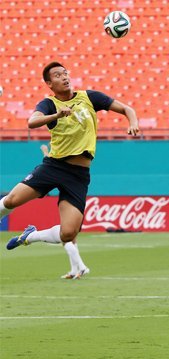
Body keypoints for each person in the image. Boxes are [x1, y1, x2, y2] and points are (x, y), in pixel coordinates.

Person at [0, 61, 139, 279]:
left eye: (65, 73)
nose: (64, 77)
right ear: (49, 83)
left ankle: (31, 236)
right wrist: (56, 116)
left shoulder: (90, 97)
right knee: (11, 200)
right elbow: (32, 122)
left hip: (78, 175)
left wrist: (133, 122)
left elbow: (126, 108)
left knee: (68, 233)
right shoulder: (49, 104)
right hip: (53, 166)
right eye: (58, 75)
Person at [39, 143, 89, 279]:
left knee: (66, 236)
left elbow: (50, 165)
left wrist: (45, 151)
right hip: (74, 195)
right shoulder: (69, 157)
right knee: (70, 238)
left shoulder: (60, 159)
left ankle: (82, 267)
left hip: (70, 197)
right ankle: (75, 270)